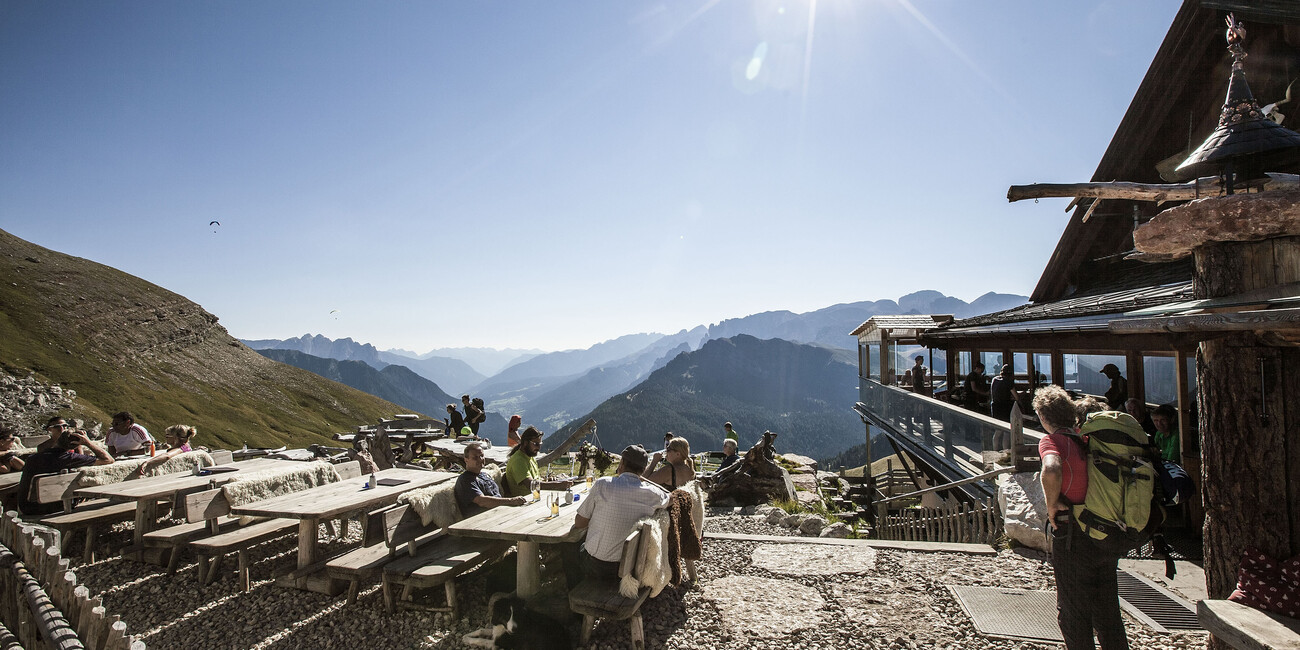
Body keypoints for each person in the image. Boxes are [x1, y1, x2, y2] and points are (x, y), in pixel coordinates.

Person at [1035, 385, 1128, 650]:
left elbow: (1051, 470)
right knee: (1108, 611)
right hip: (1105, 532)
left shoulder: (1052, 441)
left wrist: (1052, 505)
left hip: (1073, 535)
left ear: (1043, 417)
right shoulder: (1088, 440)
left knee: (1074, 613)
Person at [571, 445, 669, 580]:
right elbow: (670, 498)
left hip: (598, 567)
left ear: (622, 463)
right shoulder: (653, 494)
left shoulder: (603, 484)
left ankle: (572, 589)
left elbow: (580, 523)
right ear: (643, 469)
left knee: (570, 545)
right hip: (630, 569)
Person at [19, 425, 114, 516]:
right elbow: (108, 459)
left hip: (27, 507)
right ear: (76, 446)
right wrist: (88, 443)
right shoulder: (70, 458)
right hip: (57, 506)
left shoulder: (32, 458)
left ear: (57, 441)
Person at [454, 442, 527, 518]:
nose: (480, 459)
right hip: (481, 520)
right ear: (466, 460)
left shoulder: (485, 475)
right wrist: (511, 501)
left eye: (481, 456)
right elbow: (482, 501)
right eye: (475, 457)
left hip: (499, 513)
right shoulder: (465, 480)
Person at [503, 426, 572, 497]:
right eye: (536, 444)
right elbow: (531, 485)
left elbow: (536, 480)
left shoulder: (530, 457)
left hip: (535, 497)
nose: (538, 447)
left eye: (540, 444)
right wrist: (557, 485)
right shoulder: (518, 460)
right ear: (525, 443)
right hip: (525, 502)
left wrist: (548, 480)